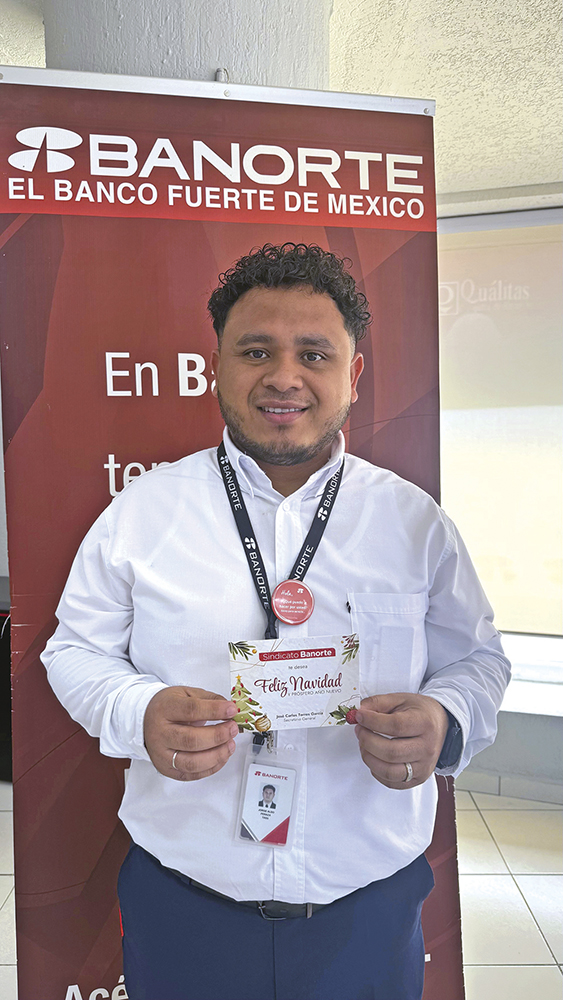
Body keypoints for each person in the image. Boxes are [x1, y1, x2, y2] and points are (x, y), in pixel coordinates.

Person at [42, 242, 510, 1000]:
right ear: (216, 367)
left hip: (367, 910)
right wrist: (138, 709)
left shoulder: (415, 523)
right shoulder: (141, 514)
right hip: (184, 907)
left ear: (353, 375)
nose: (284, 377)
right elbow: (74, 651)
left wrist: (445, 717)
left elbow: (478, 661)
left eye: (314, 354)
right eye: (255, 351)